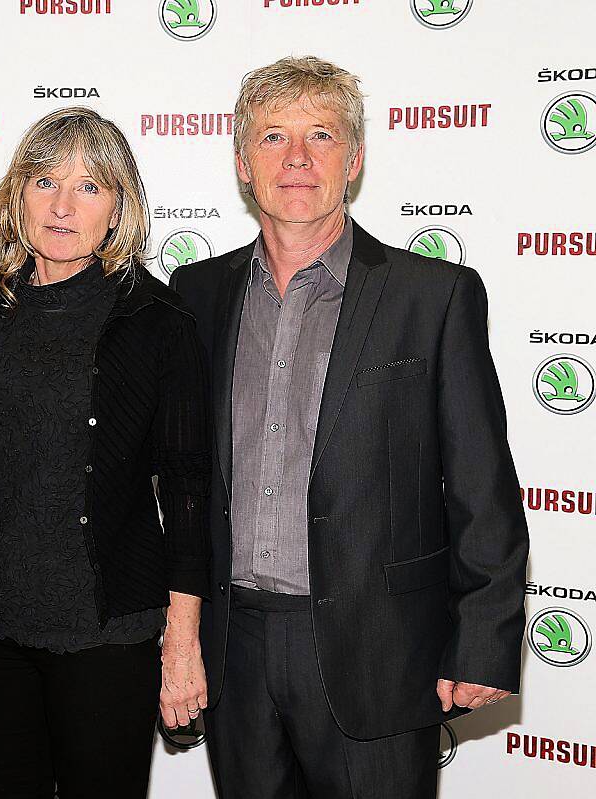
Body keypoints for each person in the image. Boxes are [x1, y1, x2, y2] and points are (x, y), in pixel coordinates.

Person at [171, 56, 529, 799]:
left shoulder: (433, 296)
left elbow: (480, 481)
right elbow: (182, 481)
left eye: (321, 136)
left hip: (381, 648)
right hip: (235, 648)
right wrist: (179, 637)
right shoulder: (197, 293)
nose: (296, 158)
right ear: (243, 163)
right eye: (273, 137)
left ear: (355, 158)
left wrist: (484, 639)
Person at [0, 106, 211, 798]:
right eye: (44, 181)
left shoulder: (152, 321)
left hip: (105, 636)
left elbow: (189, 492)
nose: (63, 205)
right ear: (18, 194)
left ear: (118, 208)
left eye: (89, 187)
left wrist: (181, 646)